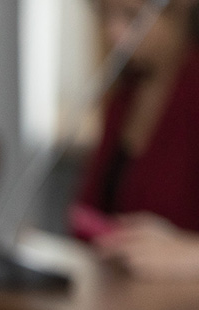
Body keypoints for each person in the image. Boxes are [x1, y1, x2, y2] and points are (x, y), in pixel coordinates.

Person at [73, 0, 199, 278]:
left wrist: (190, 253)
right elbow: (87, 210)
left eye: (132, 16)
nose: (114, 33)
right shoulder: (124, 97)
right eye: (105, 15)